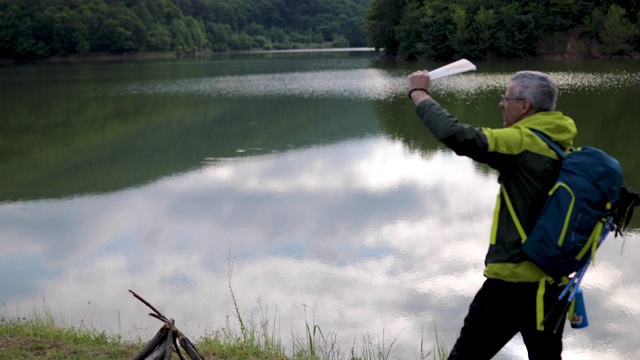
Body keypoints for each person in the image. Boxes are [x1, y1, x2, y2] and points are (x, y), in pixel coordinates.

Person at [407, 70, 577, 360]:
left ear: (524, 106)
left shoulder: (522, 141)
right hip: (553, 285)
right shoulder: (560, 142)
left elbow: (457, 135)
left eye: (506, 98)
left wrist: (419, 94)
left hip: (512, 284)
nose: (501, 104)